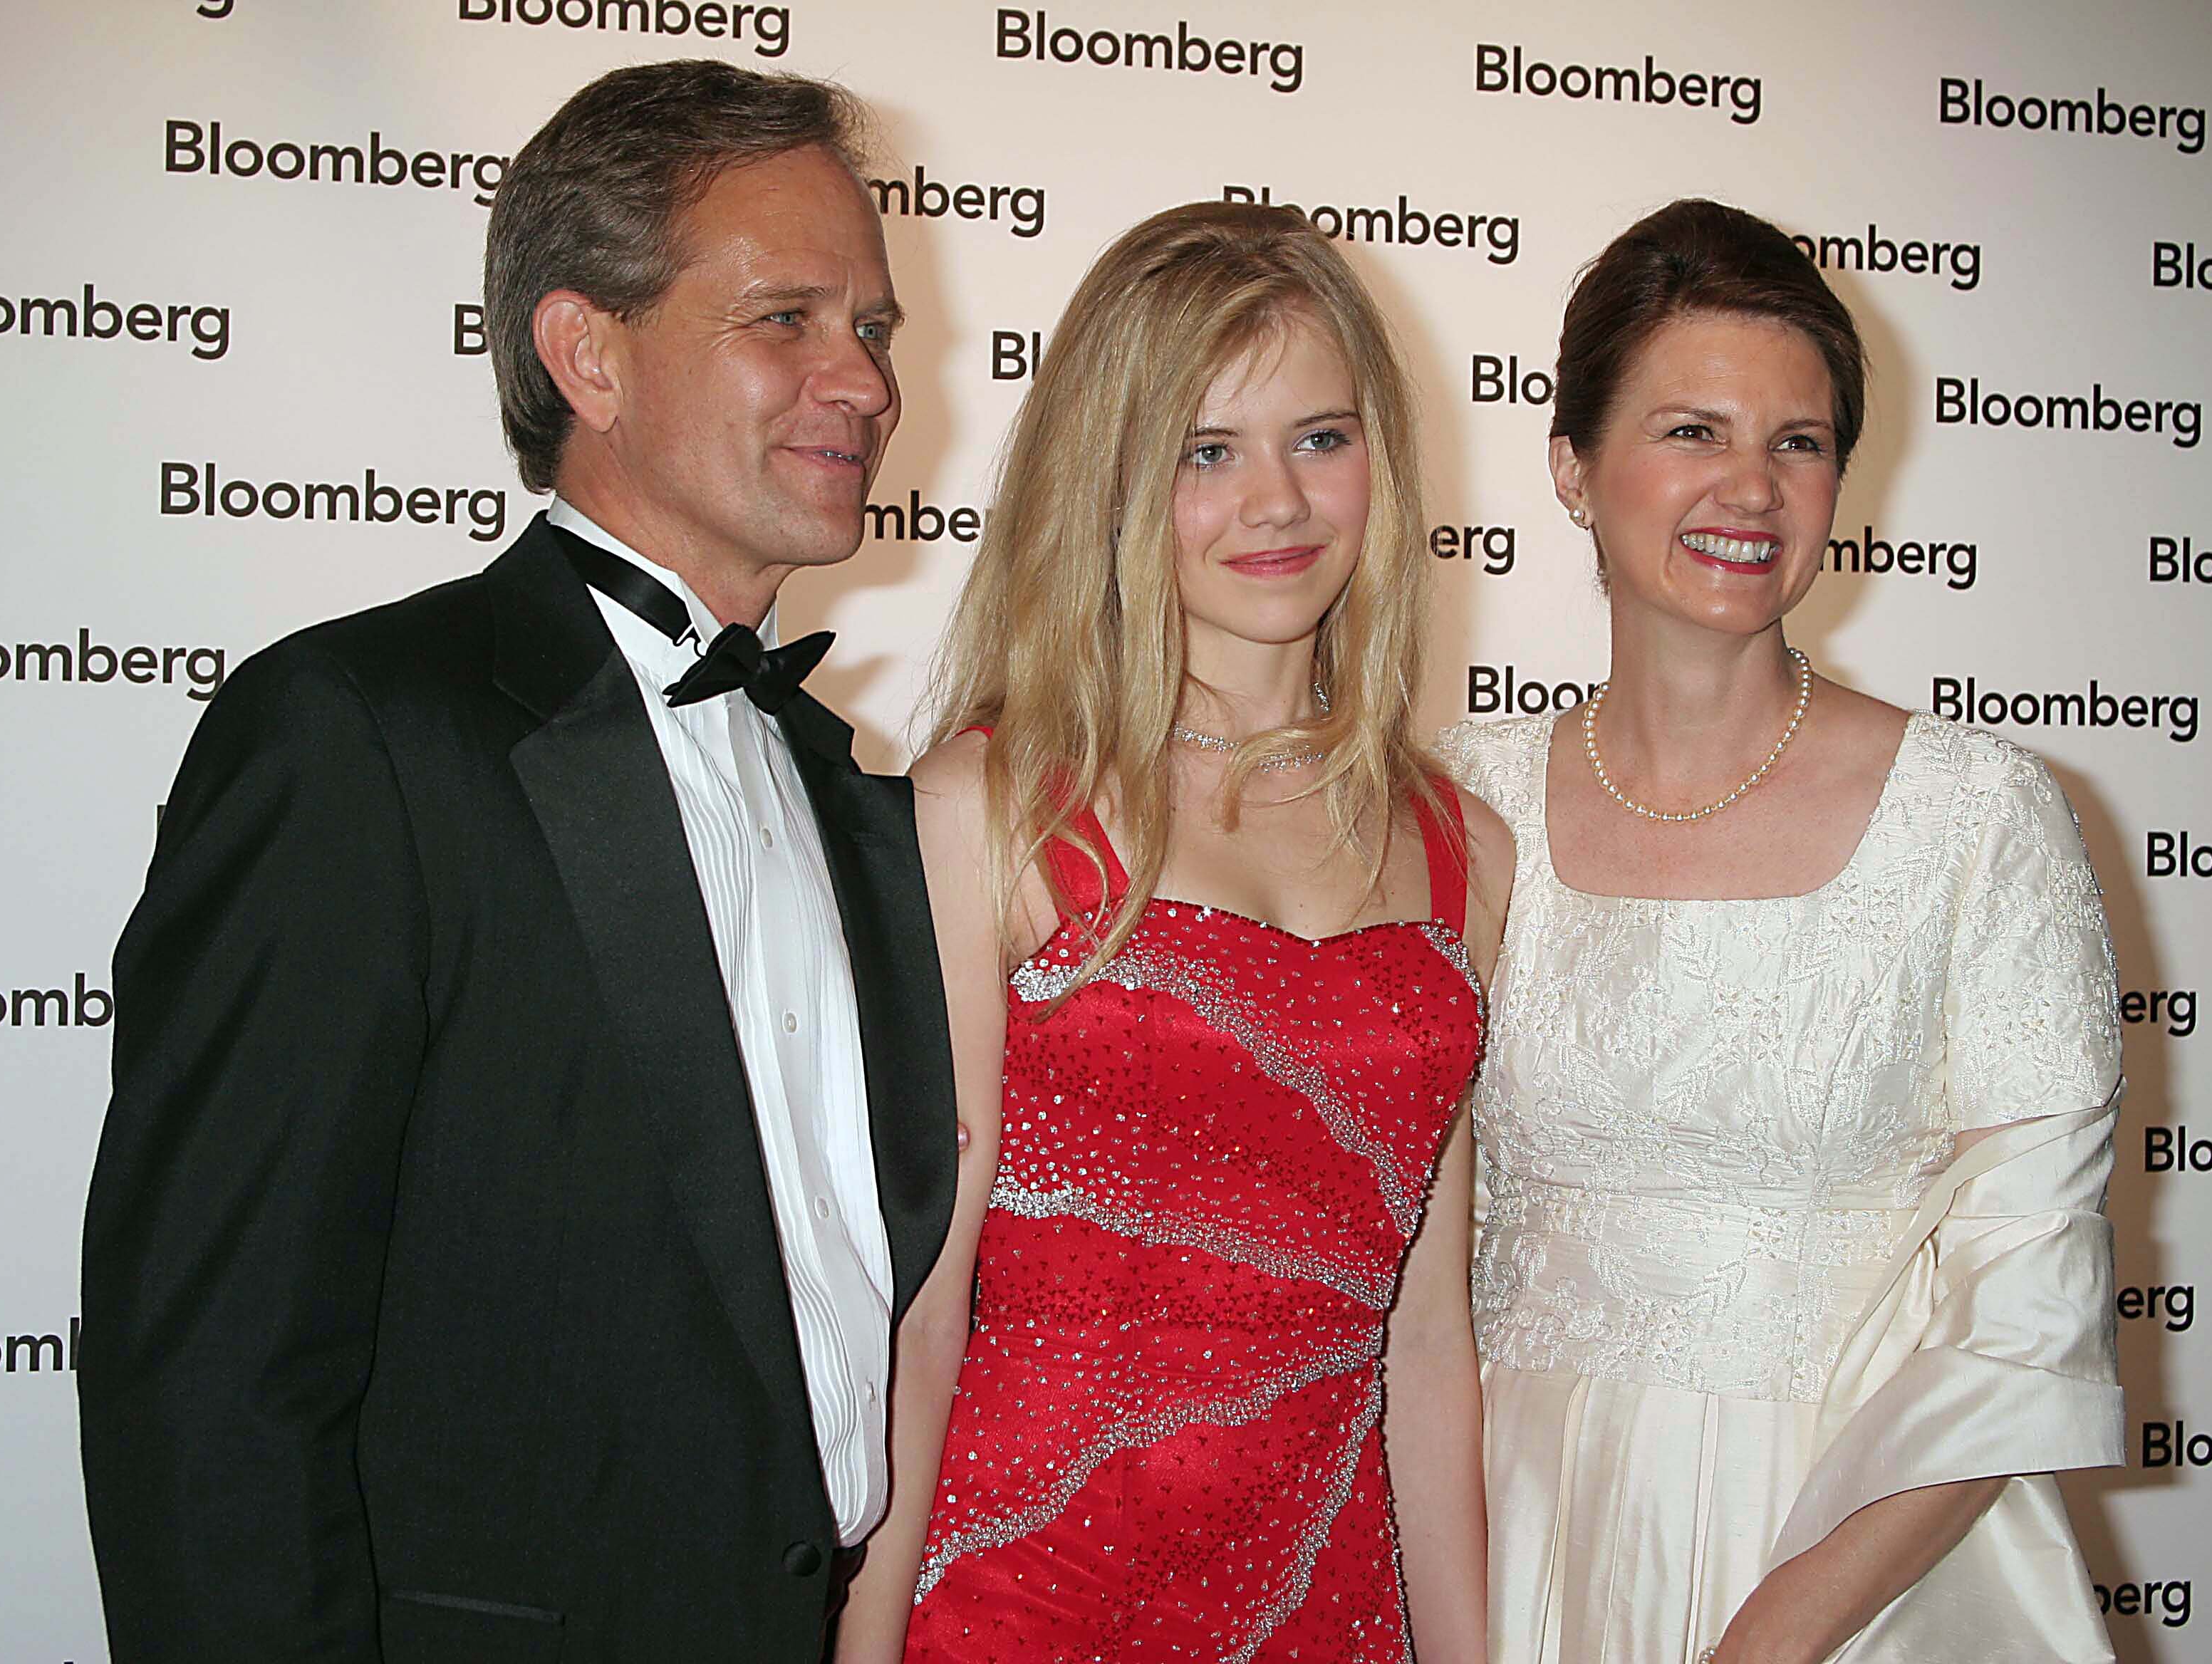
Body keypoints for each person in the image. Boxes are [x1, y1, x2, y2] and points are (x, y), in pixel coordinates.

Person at [78, 61, 955, 1664]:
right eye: (787, 320)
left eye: (876, 329)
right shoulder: (355, 738)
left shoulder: (851, 787)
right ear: (587, 353)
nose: (865, 382)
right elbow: (209, 1377)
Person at [1442, 199, 2124, 1664]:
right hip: (1514, 1541)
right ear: (1570, 466)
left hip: (1862, 1566)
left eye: (1797, 443)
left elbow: (2021, 1317)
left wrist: (1758, 1649)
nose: (1749, 489)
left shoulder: (1982, 819)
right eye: (1691, 430)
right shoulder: (1452, 807)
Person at [831, 202, 1511, 1664]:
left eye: (1320, 439)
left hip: (1326, 1606)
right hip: (1023, 1599)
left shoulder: (1464, 854)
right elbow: (922, 1316)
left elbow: (1427, 1348)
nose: (1277, 501)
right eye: (1209, 452)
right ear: (1117, 479)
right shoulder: (994, 802)